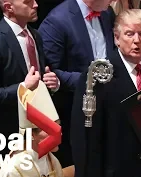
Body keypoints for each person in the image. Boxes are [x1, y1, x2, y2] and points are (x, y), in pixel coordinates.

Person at [71, 9, 141, 177]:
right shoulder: (98, 76)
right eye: (129, 34)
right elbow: (85, 141)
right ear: (117, 38)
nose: (136, 41)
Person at [0, 0, 59, 174]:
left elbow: (39, 78)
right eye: (28, 2)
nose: (35, 5)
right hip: (8, 133)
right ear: (8, 8)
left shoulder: (35, 35)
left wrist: (52, 82)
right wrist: (23, 88)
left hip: (38, 130)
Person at [38, 0, 116, 167]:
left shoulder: (107, 13)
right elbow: (51, 71)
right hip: (74, 110)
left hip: (107, 106)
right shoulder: (57, 20)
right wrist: (91, 81)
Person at [0, 82, 64, 177]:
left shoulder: (52, 161)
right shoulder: (13, 170)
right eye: (50, 130)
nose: (58, 133)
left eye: (58, 126)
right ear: (32, 134)